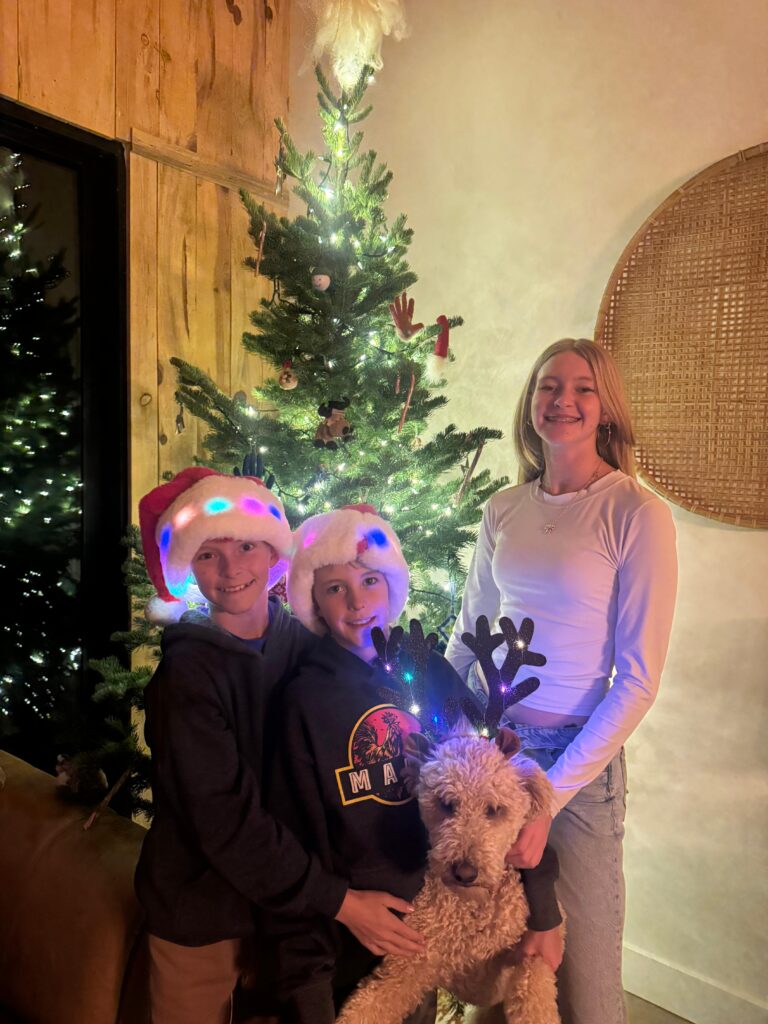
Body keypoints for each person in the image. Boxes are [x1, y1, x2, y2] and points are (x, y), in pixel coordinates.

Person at [134, 469, 424, 1024]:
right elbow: (226, 821)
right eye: (208, 555)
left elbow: (345, 593)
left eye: (246, 545)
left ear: (273, 553)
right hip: (203, 917)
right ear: (187, 568)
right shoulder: (186, 679)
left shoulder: (301, 642)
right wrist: (340, 901)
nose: (232, 568)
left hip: (291, 917)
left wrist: (355, 528)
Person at [445, 338, 678, 1024]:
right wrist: (447, 731)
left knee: (580, 976)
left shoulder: (635, 514)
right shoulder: (504, 510)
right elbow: (468, 635)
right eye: (549, 386)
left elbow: (637, 679)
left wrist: (548, 799)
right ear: (531, 401)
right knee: (498, 959)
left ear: (605, 407)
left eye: (582, 388)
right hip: (496, 758)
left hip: (577, 773)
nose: (563, 401)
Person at [265, 504, 563, 1024]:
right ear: (312, 596)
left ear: (392, 585)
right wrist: (338, 913)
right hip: (347, 939)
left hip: (427, 927)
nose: (357, 603)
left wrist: (543, 909)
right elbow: (293, 839)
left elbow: (504, 801)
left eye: (371, 581)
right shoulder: (305, 701)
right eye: (336, 588)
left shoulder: (430, 674)